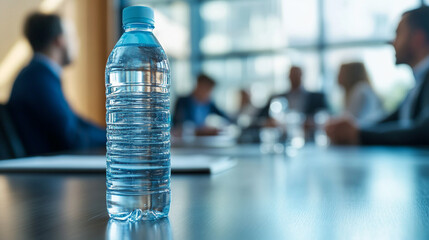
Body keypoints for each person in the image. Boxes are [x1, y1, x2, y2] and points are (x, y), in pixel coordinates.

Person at [326, 7, 429, 146]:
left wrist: (359, 133)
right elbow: (392, 121)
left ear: (418, 39)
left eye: (398, 34)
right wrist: (356, 129)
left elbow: (424, 132)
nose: (391, 42)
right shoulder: (418, 83)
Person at [7, 13, 106, 155]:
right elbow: (71, 137)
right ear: (60, 41)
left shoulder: (39, 75)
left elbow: (77, 123)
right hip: (45, 172)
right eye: (72, 36)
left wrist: (114, 136)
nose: (77, 42)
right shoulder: (38, 80)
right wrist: (113, 139)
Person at [258, 66, 328, 122]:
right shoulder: (277, 98)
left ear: (302, 76)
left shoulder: (317, 98)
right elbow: (261, 117)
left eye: (297, 74)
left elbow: (325, 116)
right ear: (288, 77)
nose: (294, 78)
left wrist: (312, 122)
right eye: (292, 75)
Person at [337, 62, 385, 126]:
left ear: (349, 74)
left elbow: (349, 118)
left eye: (341, 73)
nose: (338, 76)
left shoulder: (360, 89)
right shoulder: (363, 88)